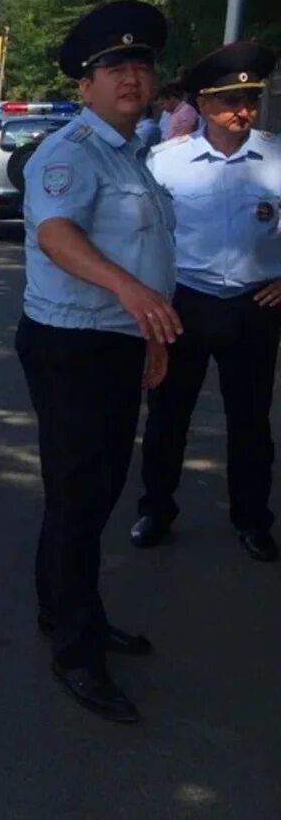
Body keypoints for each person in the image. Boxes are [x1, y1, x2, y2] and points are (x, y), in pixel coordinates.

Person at [16, 0, 180, 724]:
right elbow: (55, 235)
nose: (131, 75)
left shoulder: (133, 154)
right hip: (72, 346)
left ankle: (67, 609)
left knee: (91, 492)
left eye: (140, 63)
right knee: (82, 498)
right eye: (114, 65)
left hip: (112, 343)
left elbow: (147, 252)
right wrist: (132, 293)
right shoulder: (69, 153)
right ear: (84, 85)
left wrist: (145, 331)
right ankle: (77, 651)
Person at [132, 41, 281, 562]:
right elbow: (142, 235)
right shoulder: (165, 162)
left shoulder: (277, 156)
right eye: (229, 100)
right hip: (185, 303)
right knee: (169, 415)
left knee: (251, 421)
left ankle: (252, 519)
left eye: (250, 99)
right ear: (202, 104)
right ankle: (156, 508)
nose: (242, 110)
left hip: (255, 305)